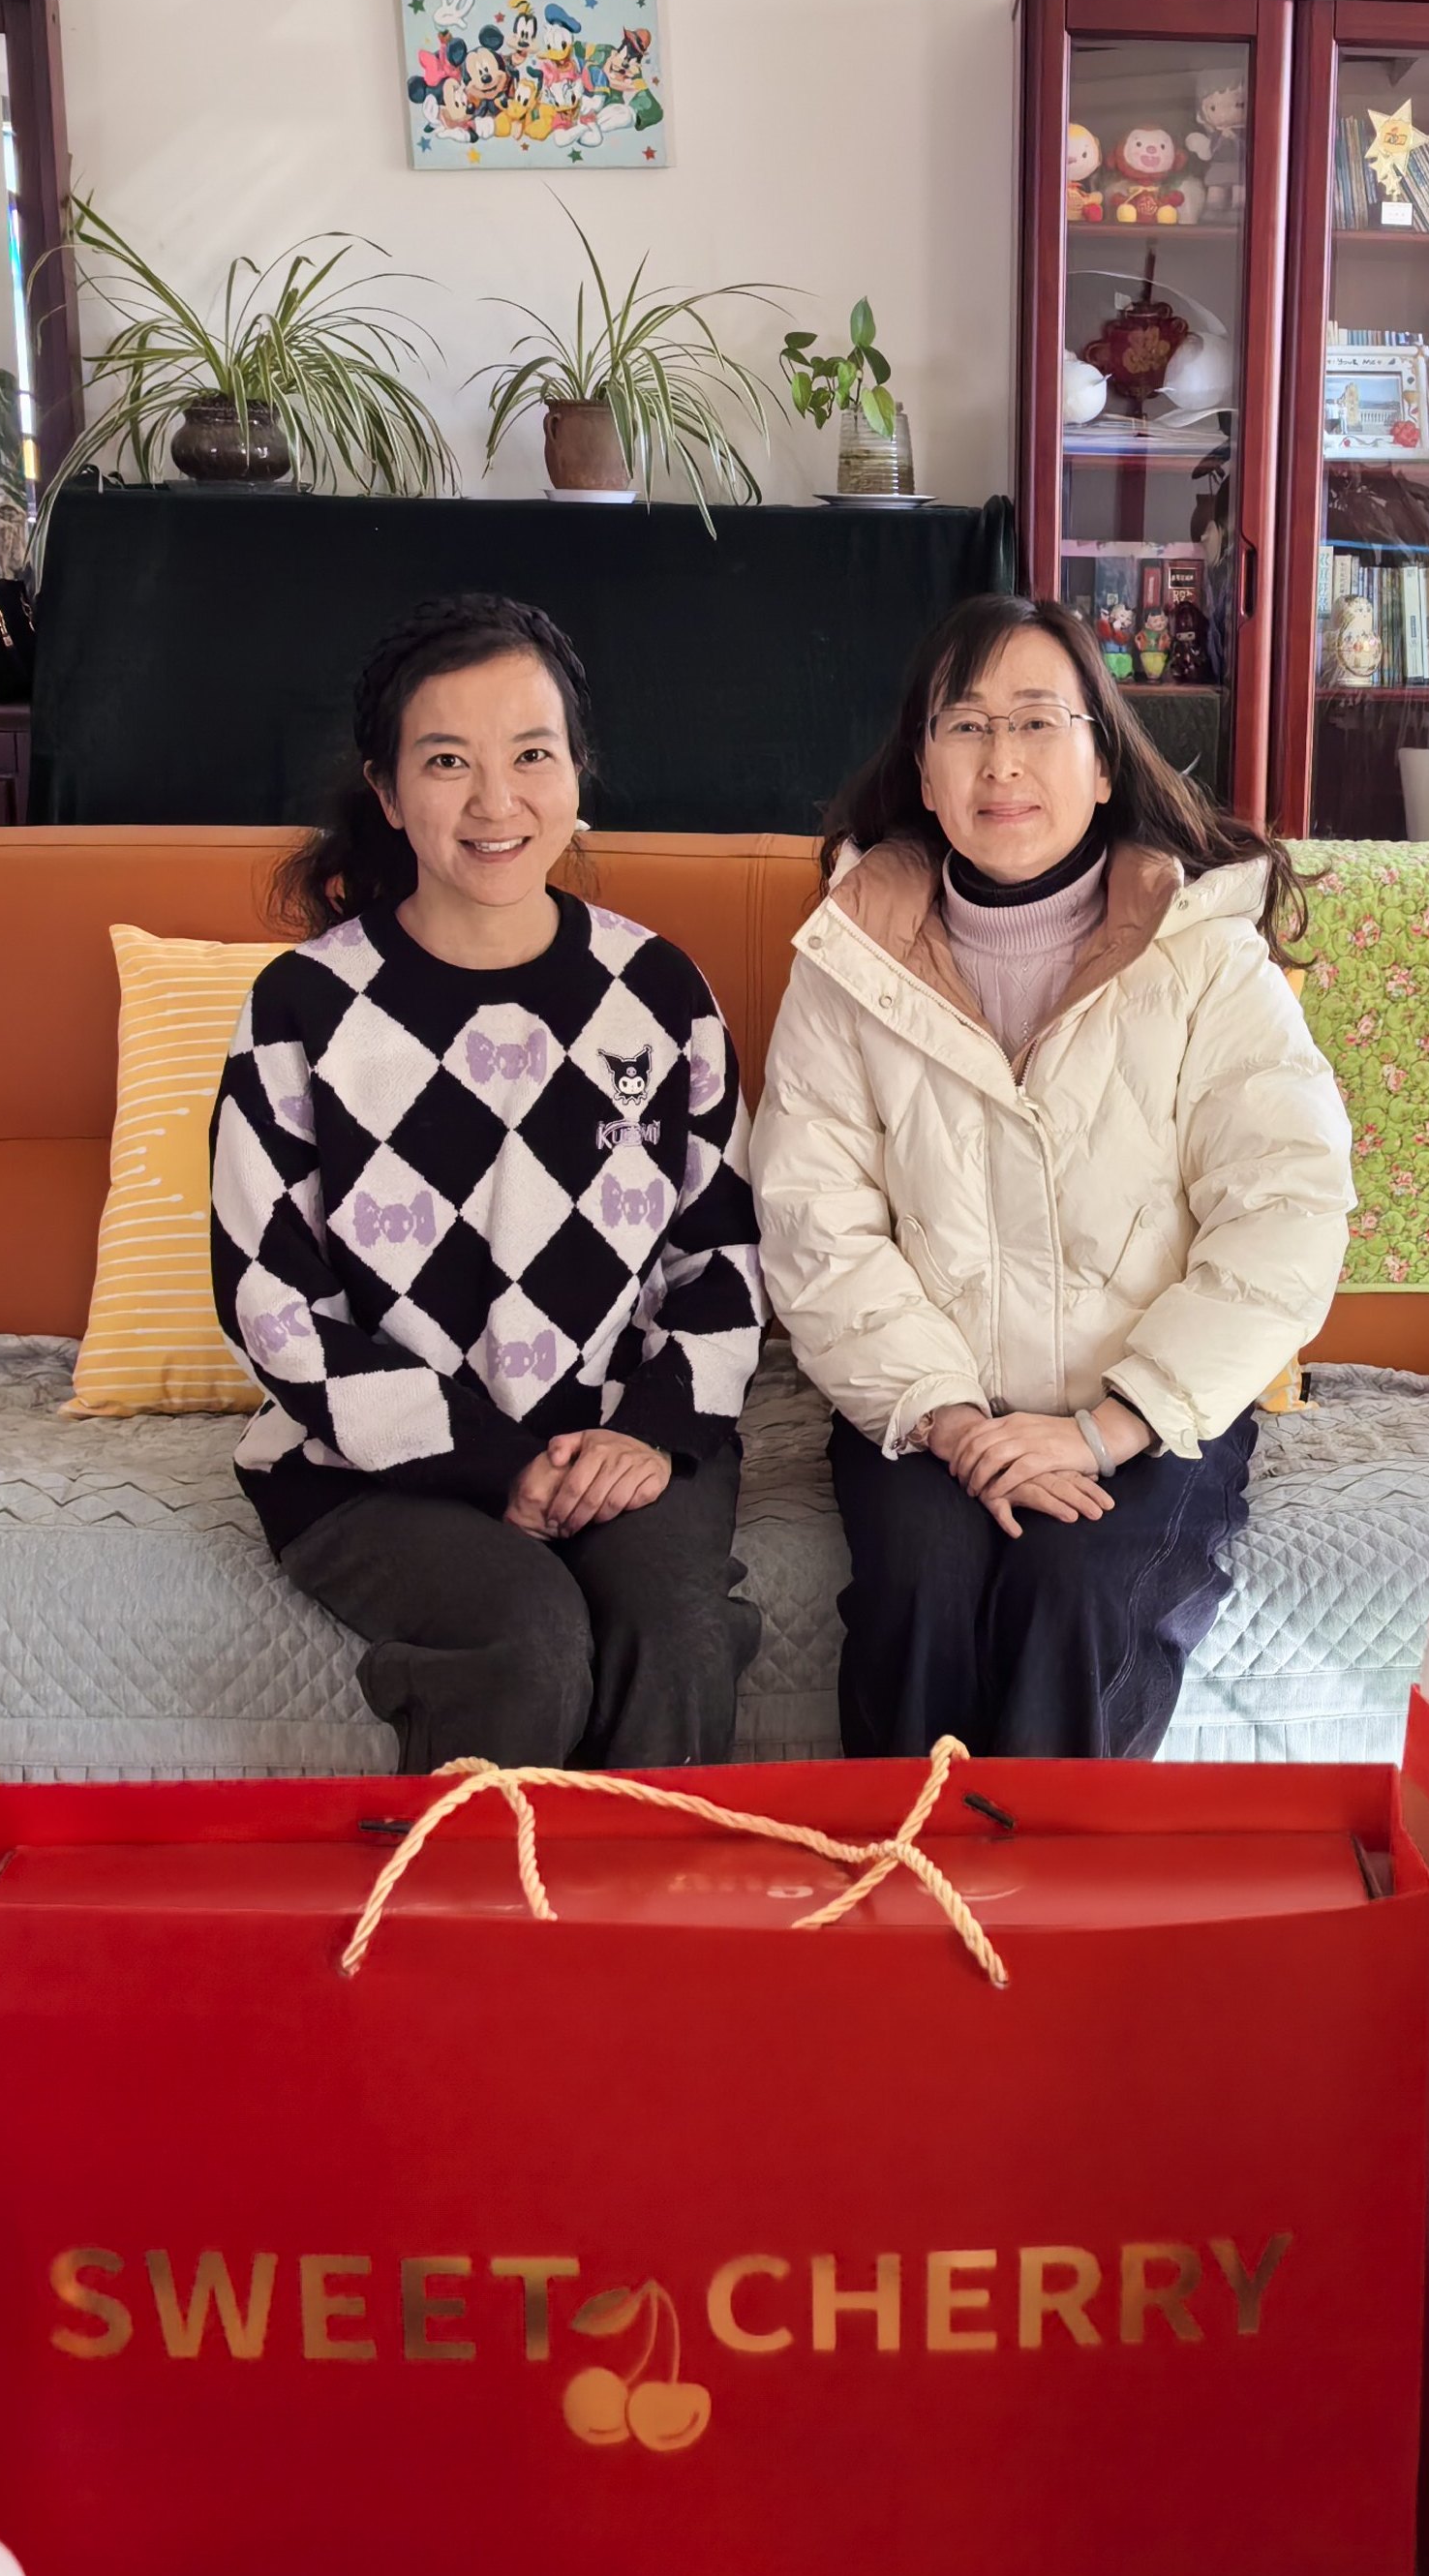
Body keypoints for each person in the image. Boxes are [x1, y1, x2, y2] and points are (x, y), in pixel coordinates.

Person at [750, 592, 1353, 1759]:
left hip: (1150, 1405)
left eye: (1037, 721)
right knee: (921, 1581)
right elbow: (816, 1225)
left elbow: (1286, 1209)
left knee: (1075, 1591)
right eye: (966, 726)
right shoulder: (846, 960)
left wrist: (1113, 1426)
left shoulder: (1205, 954)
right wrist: (949, 1419)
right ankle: (902, 1866)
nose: (1003, 762)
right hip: (923, 1401)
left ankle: (1049, 1879)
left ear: (1103, 759)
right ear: (923, 773)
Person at [210, 593, 763, 1773]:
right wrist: (495, 1463)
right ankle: (473, 1896)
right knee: (528, 1638)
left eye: (531, 755)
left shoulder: (660, 993)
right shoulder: (305, 1007)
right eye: (447, 761)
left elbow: (722, 1260)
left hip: (623, 1438)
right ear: (385, 788)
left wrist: (651, 1433)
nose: (495, 801)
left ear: (578, 770)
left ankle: (651, 1896)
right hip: (369, 1464)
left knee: (674, 1627)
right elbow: (271, 1302)